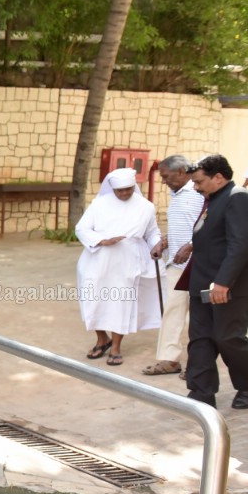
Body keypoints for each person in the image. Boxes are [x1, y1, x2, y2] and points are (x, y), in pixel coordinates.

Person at [75, 168, 162, 367]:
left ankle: (115, 347)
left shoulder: (146, 206)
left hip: (128, 260)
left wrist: (157, 244)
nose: (124, 193)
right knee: (93, 300)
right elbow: (82, 228)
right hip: (97, 258)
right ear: (112, 188)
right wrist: (101, 240)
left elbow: (152, 232)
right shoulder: (99, 204)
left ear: (134, 186)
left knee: (121, 303)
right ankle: (101, 339)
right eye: (119, 190)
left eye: (128, 189)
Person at [184, 154, 248, 409]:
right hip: (201, 284)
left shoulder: (237, 198)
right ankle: (201, 394)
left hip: (227, 287)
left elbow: (240, 244)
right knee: (200, 339)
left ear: (219, 177)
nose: (195, 187)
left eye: (199, 182)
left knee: (227, 338)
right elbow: (214, 237)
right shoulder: (213, 199)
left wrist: (223, 282)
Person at [143, 156, 204, 376]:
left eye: (166, 176)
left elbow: (210, 229)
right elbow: (184, 226)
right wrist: (165, 241)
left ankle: (198, 364)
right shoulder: (176, 193)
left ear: (180, 172)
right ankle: (169, 360)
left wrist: (190, 246)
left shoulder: (199, 193)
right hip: (177, 265)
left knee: (199, 317)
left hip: (199, 265)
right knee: (172, 311)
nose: (163, 181)